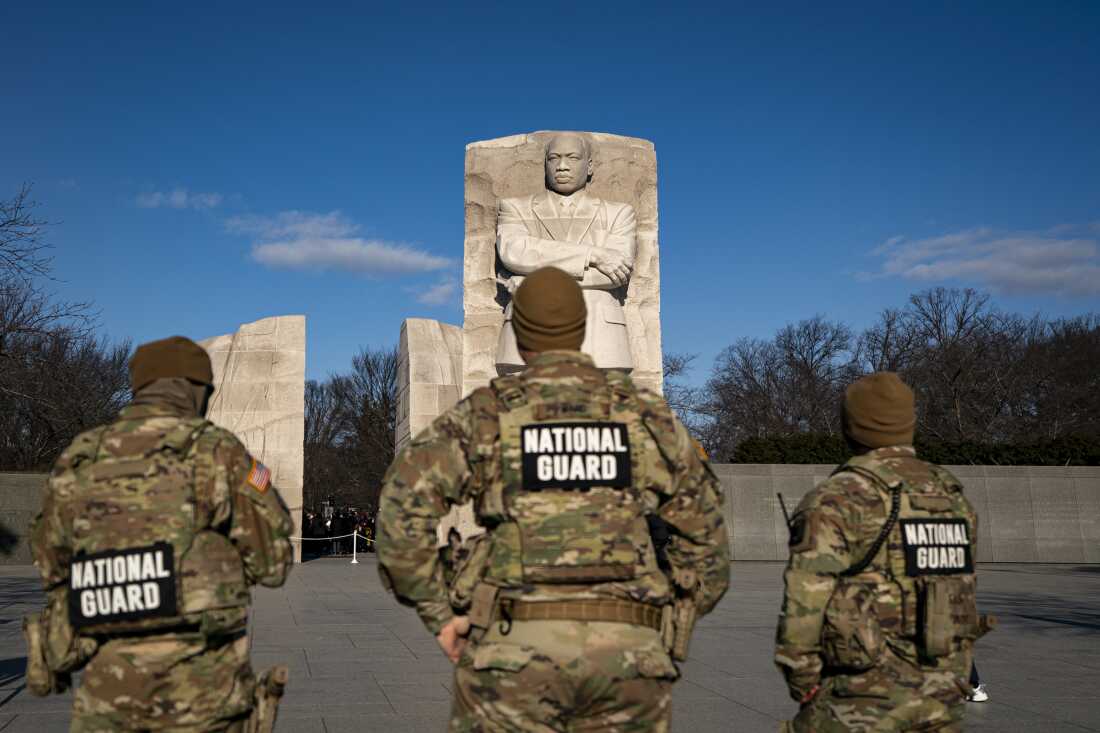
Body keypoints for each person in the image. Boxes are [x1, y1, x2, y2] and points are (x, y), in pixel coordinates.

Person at [377, 266, 729, 732]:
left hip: (511, 651)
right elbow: (708, 541)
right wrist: (670, 617)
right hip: (629, 656)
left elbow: (401, 510)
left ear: (518, 335)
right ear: (582, 329)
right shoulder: (646, 416)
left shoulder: (487, 413)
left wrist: (440, 614)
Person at [24, 335, 294, 732]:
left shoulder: (82, 455)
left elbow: (50, 563)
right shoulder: (217, 451)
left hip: (106, 691)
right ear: (198, 391)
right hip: (202, 691)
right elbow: (273, 563)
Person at [775, 372, 993, 732]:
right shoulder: (952, 498)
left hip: (860, 702)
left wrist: (804, 685)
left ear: (850, 426)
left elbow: (802, 613)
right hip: (940, 699)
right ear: (909, 423)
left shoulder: (838, 498)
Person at [495, 133, 638, 372]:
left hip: (599, 336)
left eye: (572, 157)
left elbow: (614, 274)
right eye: (554, 158)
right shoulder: (515, 208)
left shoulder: (618, 213)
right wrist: (594, 254)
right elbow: (515, 252)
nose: (562, 166)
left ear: (589, 166)